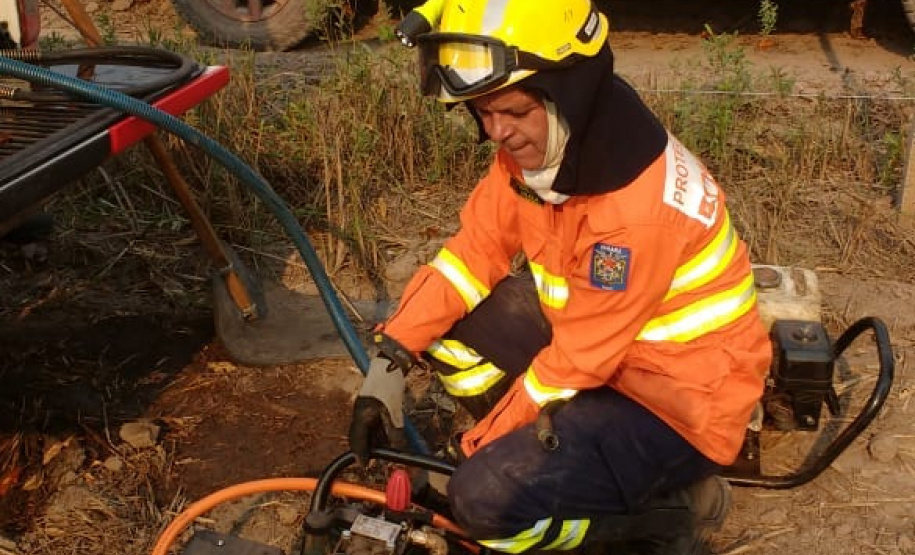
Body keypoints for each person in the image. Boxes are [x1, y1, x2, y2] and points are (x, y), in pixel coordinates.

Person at [348, 0, 772, 553]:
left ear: (568, 91)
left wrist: (475, 452)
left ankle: (655, 520)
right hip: (604, 361)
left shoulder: (633, 212)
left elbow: (573, 363)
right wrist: (390, 360)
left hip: (678, 405)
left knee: (480, 502)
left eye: (514, 111)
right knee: (450, 329)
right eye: (482, 112)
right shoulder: (549, 148)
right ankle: (552, 461)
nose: (497, 132)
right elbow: (472, 255)